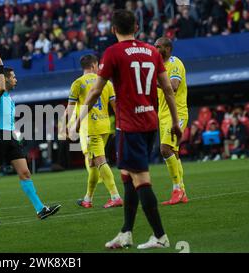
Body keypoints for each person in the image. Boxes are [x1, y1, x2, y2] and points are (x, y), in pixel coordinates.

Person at [74, 10, 181, 250]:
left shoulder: (112, 52)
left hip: (129, 125)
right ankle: (126, 232)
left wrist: (78, 117)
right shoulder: (152, 51)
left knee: (140, 179)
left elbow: (94, 91)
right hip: (150, 123)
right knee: (127, 176)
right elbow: (167, 89)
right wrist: (174, 122)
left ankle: (160, 236)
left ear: (113, 29)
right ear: (136, 26)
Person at [0, 52, 61, 224]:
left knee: (25, 172)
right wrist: (0, 66)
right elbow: (0, 88)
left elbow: (8, 120)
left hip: (9, 137)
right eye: (13, 77)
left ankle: (40, 209)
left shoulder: (10, 99)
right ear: (5, 79)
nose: (16, 80)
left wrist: (16, 136)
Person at [63, 54, 123, 209]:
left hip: (91, 128)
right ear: (94, 65)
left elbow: (70, 108)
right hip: (105, 127)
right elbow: (115, 106)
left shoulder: (78, 83)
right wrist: (120, 123)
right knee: (92, 162)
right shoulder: (106, 82)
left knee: (100, 160)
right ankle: (87, 199)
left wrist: (66, 126)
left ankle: (115, 196)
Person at [154, 37, 189, 205]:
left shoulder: (175, 63)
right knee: (173, 153)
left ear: (167, 48)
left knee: (165, 149)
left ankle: (177, 189)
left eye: (158, 46)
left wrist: (153, 81)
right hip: (163, 114)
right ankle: (183, 191)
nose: (155, 49)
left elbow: (173, 87)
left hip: (178, 114)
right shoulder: (158, 66)